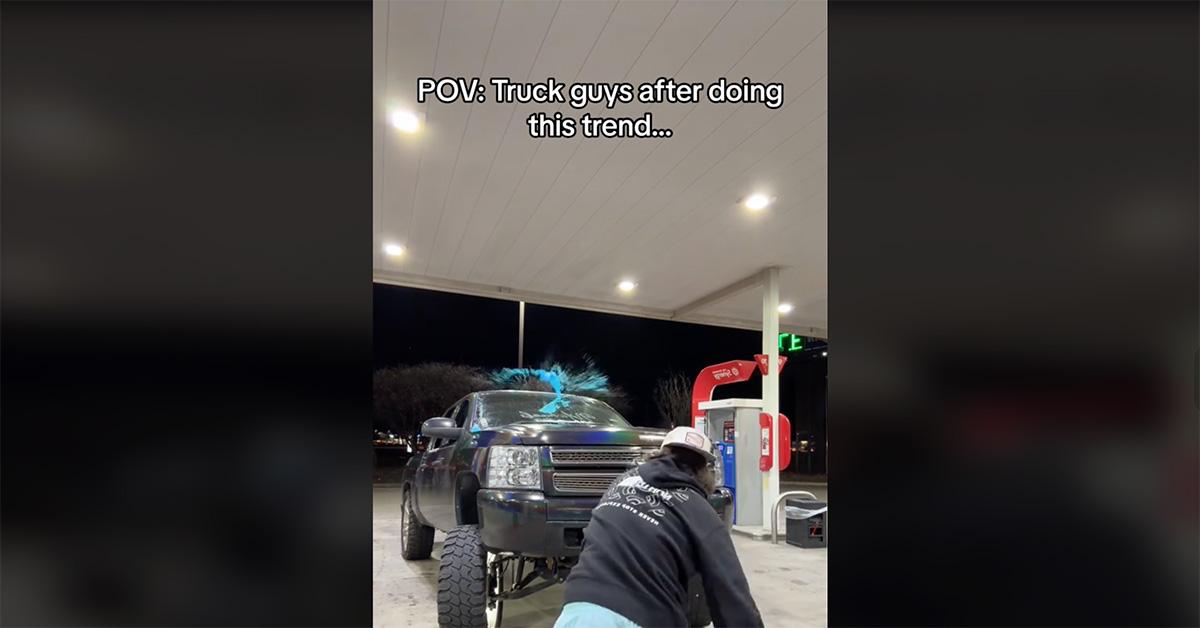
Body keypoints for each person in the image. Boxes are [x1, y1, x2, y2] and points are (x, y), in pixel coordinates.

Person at [554, 426, 764, 628]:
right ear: (704, 471)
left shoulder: (621, 483)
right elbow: (731, 595)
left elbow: (591, 539)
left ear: (659, 454)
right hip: (644, 615)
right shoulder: (699, 510)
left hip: (578, 608)